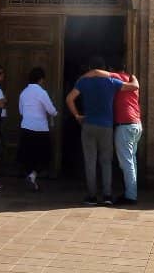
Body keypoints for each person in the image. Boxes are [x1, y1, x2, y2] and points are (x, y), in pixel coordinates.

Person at [65, 55, 138, 205]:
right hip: (106, 126)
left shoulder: (84, 82)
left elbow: (69, 98)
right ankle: (107, 196)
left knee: (90, 161)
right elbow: (131, 87)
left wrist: (77, 115)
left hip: (89, 125)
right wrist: (134, 79)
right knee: (106, 161)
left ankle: (91, 196)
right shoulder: (111, 81)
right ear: (105, 69)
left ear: (91, 68)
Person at [18, 67, 57, 191]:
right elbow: (50, 109)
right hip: (40, 129)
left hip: (26, 127)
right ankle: (33, 176)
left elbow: (21, 111)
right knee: (44, 156)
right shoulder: (41, 92)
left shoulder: (23, 93)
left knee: (28, 156)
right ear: (41, 79)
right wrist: (56, 113)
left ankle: (31, 177)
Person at [111, 63, 141, 205]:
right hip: (136, 124)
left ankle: (130, 195)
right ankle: (131, 192)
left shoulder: (116, 77)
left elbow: (99, 74)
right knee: (132, 161)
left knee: (127, 162)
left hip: (125, 125)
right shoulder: (131, 79)